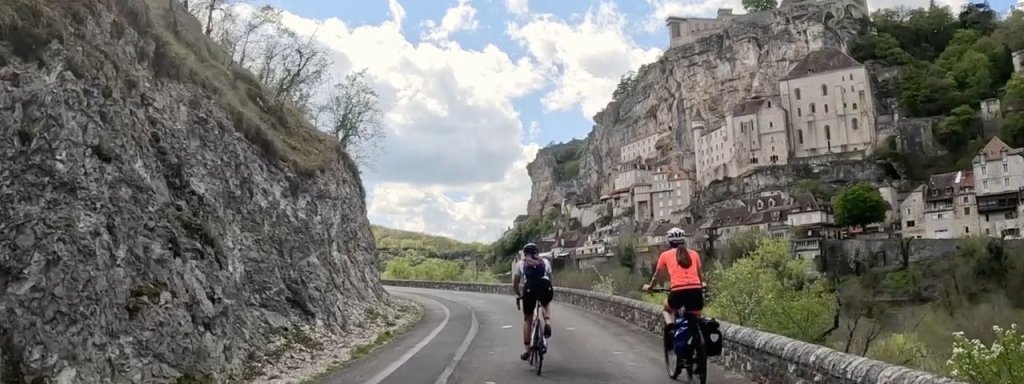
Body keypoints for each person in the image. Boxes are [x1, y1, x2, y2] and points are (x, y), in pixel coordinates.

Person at [642, 227, 706, 354]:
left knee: (666, 309)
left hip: (677, 292)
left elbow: (657, 276)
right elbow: (699, 276)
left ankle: (671, 326)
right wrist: (702, 283)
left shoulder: (665, 255)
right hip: (696, 291)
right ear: (683, 240)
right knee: (696, 316)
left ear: (669, 241)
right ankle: (697, 344)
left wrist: (650, 287)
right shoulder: (694, 254)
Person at [512, 242, 553, 361]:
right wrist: (549, 289)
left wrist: (519, 295)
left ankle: (527, 350)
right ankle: (548, 323)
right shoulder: (545, 262)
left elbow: (515, 284)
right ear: (537, 252)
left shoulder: (521, 264)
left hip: (529, 289)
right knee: (545, 303)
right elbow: (550, 279)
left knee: (528, 319)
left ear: (525, 253)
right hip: (544, 286)